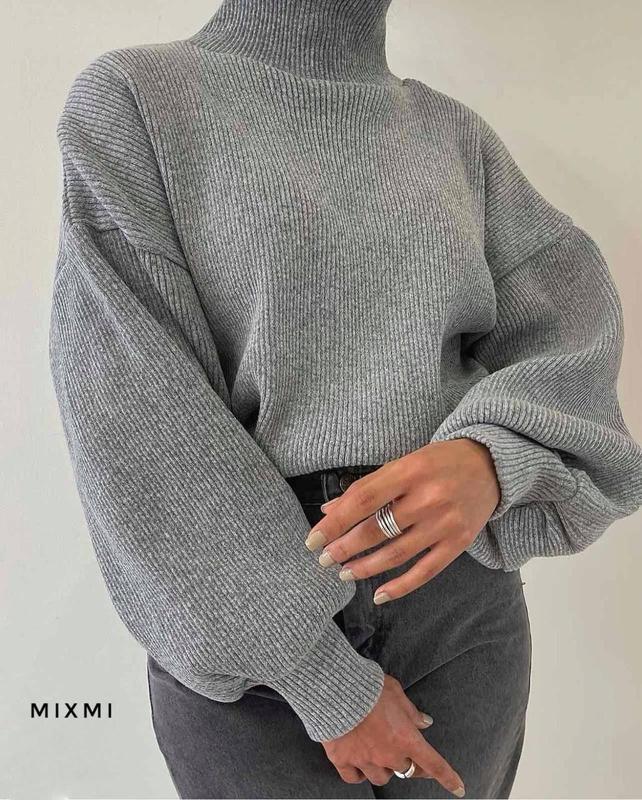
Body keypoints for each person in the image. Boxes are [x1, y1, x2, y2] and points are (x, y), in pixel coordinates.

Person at [48, 0, 642, 798]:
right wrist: (317, 674)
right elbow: (134, 411)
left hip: (461, 611)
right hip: (250, 630)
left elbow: (574, 324)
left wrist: (491, 460)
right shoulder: (136, 102)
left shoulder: (454, 137)